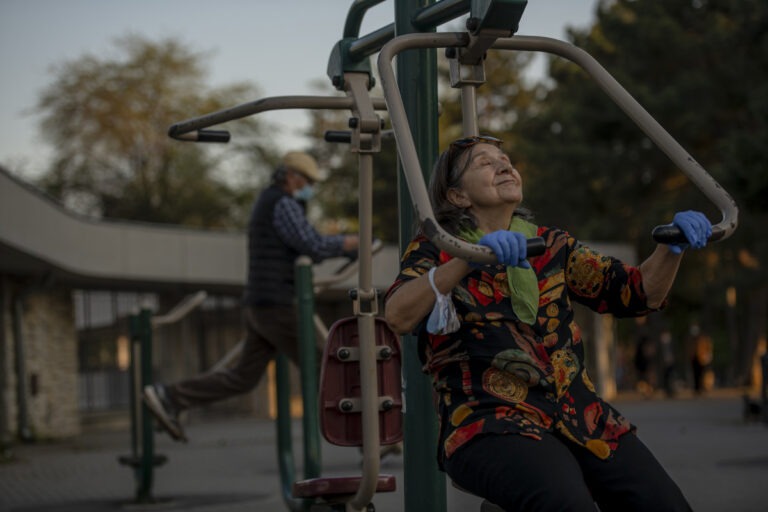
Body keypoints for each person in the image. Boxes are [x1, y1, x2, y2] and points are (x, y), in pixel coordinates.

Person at [384, 135, 710, 511]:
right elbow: (398, 314)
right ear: (457, 196)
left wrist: (671, 248)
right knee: (565, 502)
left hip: (579, 416)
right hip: (489, 419)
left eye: (505, 159)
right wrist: (466, 260)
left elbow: (637, 292)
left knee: (662, 503)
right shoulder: (438, 248)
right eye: (484, 163)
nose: (504, 165)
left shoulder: (551, 246)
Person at [143, 151, 359, 442]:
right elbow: (311, 244)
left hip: (261, 303)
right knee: (325, 364)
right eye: (308, 181)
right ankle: (367, 436)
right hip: (276, 303)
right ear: (292, 177)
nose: (310, 188)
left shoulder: (270, 201)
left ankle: (169, 397)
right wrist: (350, 243)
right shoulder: (283, 203)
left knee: (243, 377)